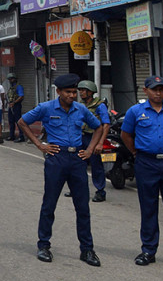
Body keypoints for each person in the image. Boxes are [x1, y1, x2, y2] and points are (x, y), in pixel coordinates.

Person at [17, 73, 105, 266]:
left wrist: (90, 149)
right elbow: (22, 122)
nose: (72, 96)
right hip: (56, 158)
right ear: (58, 92)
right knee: (49, 204)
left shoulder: (81, 109)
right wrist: (40, 145)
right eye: (68, 92)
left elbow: (98, 127)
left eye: (74, 92)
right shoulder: (46, 108)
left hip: (77, 159)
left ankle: (87, 250)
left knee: (82, 207)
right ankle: (43, 245)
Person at [121, 75, 163, 269]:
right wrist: (137, 151)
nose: (158, 93)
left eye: (161, 89)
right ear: (146, 91)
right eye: (154, 89)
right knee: (149, 208)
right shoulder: (135, 112)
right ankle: (148, 251)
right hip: (146, 164)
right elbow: (126, 134)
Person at [78, 80, 110, 202]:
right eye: (80, 90)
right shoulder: (80, 105)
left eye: (83, 90)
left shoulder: (99, 105)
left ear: (91, 92)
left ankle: (100, 191)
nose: (81, 93)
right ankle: (78, 189)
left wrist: (100, 142)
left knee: (96, 166)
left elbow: (106, 125)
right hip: (81, 137)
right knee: (78, 164)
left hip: (94, 137)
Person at [6, 73, 25, 142]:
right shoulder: (11, 88)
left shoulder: (18, 87)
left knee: (18, 121)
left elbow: (21, 96)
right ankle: (11, 135)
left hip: (16, 105)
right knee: (11, 121)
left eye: (11, 79)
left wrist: (14, 102)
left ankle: (21, 136)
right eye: (9, 79)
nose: (10, 80)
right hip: (11, 105)